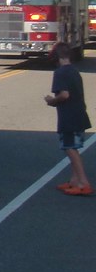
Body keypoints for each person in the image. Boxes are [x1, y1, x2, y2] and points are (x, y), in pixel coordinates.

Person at [44, 42, 92, 196]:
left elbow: (64, 95)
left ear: (56, 57)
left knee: (70, 148)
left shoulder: (60, 73)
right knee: (72, 147)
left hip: (69, 117)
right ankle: (74, 180)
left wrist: (52, 101)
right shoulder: (74, 70)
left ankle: (83, 183)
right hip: (79, 114)